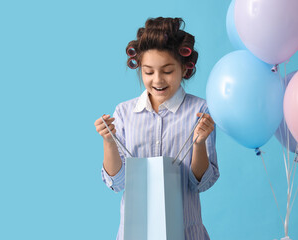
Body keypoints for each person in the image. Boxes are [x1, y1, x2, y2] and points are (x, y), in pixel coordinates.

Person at [94, 17, 220, 240]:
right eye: (148, 72)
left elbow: (200, 183)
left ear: (184, 68)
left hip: (186, 233)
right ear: (139, 69)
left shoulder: (200, 110)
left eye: (167, 71)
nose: (158, 80)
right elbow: (118, 182)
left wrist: (199, 144)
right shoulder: (124, 112)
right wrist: (109, 141)